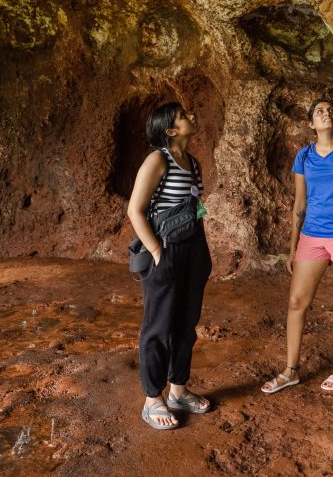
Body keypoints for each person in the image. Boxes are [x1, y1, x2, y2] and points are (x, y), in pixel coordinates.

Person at [261, 99, 333, 394]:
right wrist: (293, 246)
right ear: (311, 123)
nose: (326, 114)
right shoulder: (304, 156)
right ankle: (290, 370)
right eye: (319, 111)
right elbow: (300, 203)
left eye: (331, 110)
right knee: (297, 302)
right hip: (312, 235)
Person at [127, 102, 212, 430]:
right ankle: (152, 399)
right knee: (159, 326)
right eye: (182, 116)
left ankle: (177, 390)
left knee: (186, 324)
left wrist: (202, 253)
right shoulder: (157, 160)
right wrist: (157, 253)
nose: (190, 116)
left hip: (193, 249)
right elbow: (135, 210)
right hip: (166, 251)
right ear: (171, 130)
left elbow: (195, 206)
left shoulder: (192, 162)